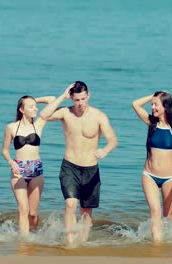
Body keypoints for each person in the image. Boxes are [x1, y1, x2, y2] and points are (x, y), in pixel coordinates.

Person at [40, 81, 118, 245]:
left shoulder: (99, 116)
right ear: (71, 98)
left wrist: (105, 150)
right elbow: (44, 115)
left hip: (91, 169)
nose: (80, 103)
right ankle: (69, 242)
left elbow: (113, 140)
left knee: (86, 210)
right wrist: (62, 96)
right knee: (70, 203)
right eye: (76, 100)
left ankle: (82, 241)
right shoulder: (65, 113)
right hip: (70, 166)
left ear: (88, 95)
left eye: (83, 99)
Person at [132, 91, 172, 243]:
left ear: (165, 106)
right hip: (149, 175)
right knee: (155, 211)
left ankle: (171, 244)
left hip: (170, 178)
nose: (153, 107)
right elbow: (135, 104)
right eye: (152, 104)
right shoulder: (151, 122)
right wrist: (153, 95)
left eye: (156, 104)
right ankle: (157, 246)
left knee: (169, 216)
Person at [2, 95, 55, 236]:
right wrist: (11, 162)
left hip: (36, 169)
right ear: (22, 109)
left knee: (32, 213)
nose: (35, 109)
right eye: (30, 107)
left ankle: (33, 237)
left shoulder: (39, 124)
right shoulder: (11, 127)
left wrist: (33, 100)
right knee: (23, 209)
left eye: (35, 106)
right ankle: (24, 243)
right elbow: (5, 150)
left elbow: (52, 101)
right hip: (18, 169)